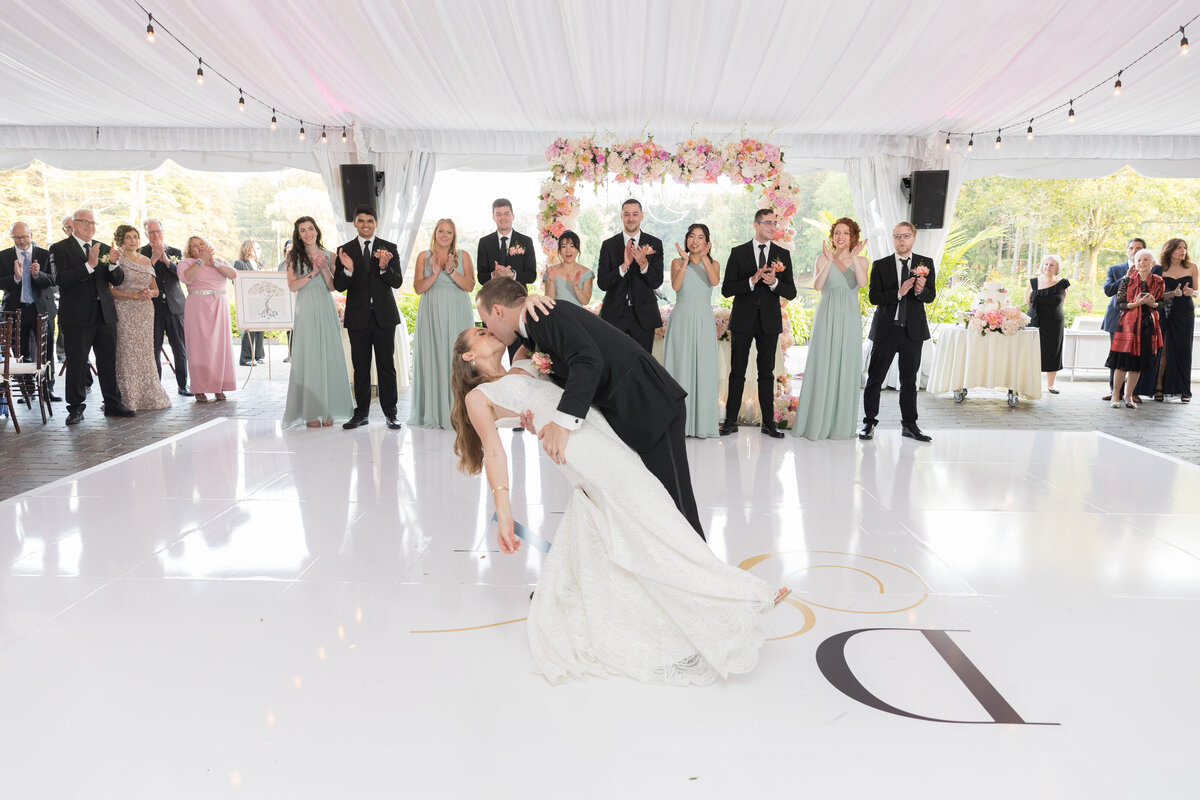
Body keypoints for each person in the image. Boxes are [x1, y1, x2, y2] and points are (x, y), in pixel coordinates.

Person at [449, 326, 788, 685]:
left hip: (597, 429)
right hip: (579, 449)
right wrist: (504, 514)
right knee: (651, 511)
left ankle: (688, 609)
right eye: (481, 332)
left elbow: (526, 329)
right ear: (468, 355)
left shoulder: (523, 362)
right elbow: (495, 451)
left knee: (638, 517)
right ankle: (741, 595)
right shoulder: (479, 396)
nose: (489, 332)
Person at [476, 277, 705, 538]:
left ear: (498, 310)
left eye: (486, 322)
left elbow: (587, 361)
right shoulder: (530, 328)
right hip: (631, 410)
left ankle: (705, 573)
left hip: (649, 403)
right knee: (651, 502)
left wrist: (562, 425)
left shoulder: (541, 316)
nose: (488, 329)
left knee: (675, 504)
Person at [51, 208, 135, 425]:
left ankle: (113, 404)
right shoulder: (59, 248)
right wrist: (89, 265)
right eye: (85, 222)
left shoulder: (104, 247)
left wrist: (115, 264)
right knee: (77, 364)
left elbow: (116, 280)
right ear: (73, 224)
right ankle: (76, 408)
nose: (90, 226)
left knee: (108, 362)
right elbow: (60, 279)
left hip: (105, 315)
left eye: (93, 223)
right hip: (77, 318)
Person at [719, 209, 796, 438]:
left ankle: (768, 422)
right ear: (756, 225)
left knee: (767, 373)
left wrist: (774, 284)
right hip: (743, 320)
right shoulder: (738, 252)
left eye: (775, 223)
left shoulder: (783, 254)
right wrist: (751, 281)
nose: (772, 228)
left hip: (769, 322)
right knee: (737, 372)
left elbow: (790, 292)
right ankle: (730, 421)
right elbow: (726, 290)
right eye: (767, 223)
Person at [793, 217, 868, 440]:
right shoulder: (821, 259)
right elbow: (818, 286)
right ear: (832, 236)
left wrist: (854, 258)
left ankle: (840, 426)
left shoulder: (861, 261)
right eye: (836, 232)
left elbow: (862, 284)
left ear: (853, 236)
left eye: (845, 233)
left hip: (849, 318)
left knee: (846, 364)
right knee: (823, 362)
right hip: (826, 316)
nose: (840, 236)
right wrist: (828, 261)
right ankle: (816, 422)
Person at [860, 221, 936, 442]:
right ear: (892, 239)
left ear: (913, 238)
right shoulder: (881, 264)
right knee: (875, 378)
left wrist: (921, 291)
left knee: (909, 381)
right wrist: (898, 293)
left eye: (905, 236)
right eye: (897, 236)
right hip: (886, 330)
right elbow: (873, 297)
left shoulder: (926, 263)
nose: (901, 240)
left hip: (912, 331)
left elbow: (930, 296)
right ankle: (869, 422)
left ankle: (910, 425)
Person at [334, 204, 404, 430]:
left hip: (384, 317)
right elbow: (339, 286)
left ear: (376, 223)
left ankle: (391, 413)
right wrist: (348, 269)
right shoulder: (344, 250)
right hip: (358, 318)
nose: (366, 225)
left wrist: (385, 267)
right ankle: (361, 413)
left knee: (386, 367)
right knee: (360, 366)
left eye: (370, 221)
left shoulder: (389, 247)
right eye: (361, 221)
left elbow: (397, 282)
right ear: (355, 223)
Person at [283, 217, 353, 428]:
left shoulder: (330, 255)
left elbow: (333, 287)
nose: (307, 233)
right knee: (309, 358)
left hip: (325, 308)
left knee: (328, 355)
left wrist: (323, 268)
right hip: (305, 311)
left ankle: (329, 409)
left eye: (310, 229)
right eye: (302, 230)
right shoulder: (293, 256)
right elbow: (293, 286)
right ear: (298, 234)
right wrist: (313, 271)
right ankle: (311, 412)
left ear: (317, 230)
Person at [408, 218, 474, 429]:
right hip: (431, 313)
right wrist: (436, 274)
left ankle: (461, 413)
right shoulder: (423, 257)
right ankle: (435, 412)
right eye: (441, 231)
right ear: (435, 233)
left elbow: (470, 286)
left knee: (457, 359)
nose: (444, 235)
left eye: (449, 232)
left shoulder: (463, 256)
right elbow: (418, 288)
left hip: (457, 312)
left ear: (454, 236)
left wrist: (451, 271)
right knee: (434, 356)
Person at [662, 223, 719, 438]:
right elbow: (676, 287)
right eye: (692, 236)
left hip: (704, 319)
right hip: (682, 318)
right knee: (680, 366)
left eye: (700, 237)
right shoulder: (677, 261)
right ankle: (679, 424)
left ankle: (703, 424)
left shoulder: (714, 263)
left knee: (703, 369)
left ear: (707, 242)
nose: (695, 240)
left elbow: (714, 281)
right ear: (687, 239)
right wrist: (685, 262)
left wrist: (704, 258)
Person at [108, 224, 171, 411]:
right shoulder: (116, 259)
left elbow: (157, 290)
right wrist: (134, 296)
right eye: (128, 237)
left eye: (135, 236)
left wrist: (148, 293)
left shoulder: (145, 260)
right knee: (126, 352)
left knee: (145, 352)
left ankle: (148, 395)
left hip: (145, 311)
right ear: (121, 239)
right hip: (124, 310)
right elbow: (111, 291)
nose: (133, 240)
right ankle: (128, 397)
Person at [0, 222, 59, 401]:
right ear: (12, 238)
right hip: (16, 310)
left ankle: (48, 389)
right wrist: (15, 278)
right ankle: (27, 390)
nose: (22, 241)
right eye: (17, 237)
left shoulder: (45, 254)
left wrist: (37, 275)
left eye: (24, 236)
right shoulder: (3, 256)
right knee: (20, 351)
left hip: (41, 309)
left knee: (46, 350)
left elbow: (54, 280)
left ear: (31, 234)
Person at [596, 199, 664, 352]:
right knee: (614, 361)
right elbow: (602, 283)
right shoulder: (609, 245)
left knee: (643, 363)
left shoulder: (655, 243)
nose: (631, 218)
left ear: (642, 216)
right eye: (627, 214)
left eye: (635, 214)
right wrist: (624, 266)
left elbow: (656, 282)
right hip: (614, 315)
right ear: (621, 216)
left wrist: (643, 264)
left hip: (644, 315)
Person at [476, 198, 538, 361]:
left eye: (506, 213)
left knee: (520, 353)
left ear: (513, 215)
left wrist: (513, 276)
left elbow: (532, 275)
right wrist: (493, 275)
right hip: (491, 304)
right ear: (493, 217)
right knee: (489, 352)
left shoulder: (525, 241)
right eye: (498, 214)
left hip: (517, 306)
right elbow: (481, 277)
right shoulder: (484, 243)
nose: (502, 217)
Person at [178, 236, 238, 403]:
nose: (199, 247)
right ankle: (200, 388)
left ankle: (219, 386)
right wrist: (200, 262)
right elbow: (186, 278)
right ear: (190, 251)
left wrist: (214, 263)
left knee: (219, 346)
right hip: (197, 306)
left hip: (219, 306)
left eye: (201, 244)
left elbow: (233, 275)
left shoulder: (218, 260)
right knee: (199, 347)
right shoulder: (186, 263)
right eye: (195, 246)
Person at [1106, 248, 1164, 409]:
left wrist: (1154, 304)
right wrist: (1135, 304)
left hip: (1147, 326)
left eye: (1146, 260)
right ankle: (1116, 395)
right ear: (1135, 263)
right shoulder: (1127, 280)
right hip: (1128, 325)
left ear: (1152, 263)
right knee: (1122, 363)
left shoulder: (1159, 281)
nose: (1142, 263)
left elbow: (1162, 303)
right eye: (1139, 260)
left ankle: (1129, 396)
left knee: (1138, 364)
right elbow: (1119, 304)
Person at [141, 219, 189, 396]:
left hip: (174, 306)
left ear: (163, 231)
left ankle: (183, 384)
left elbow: (184, 276)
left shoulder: (176, 252)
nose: (155, 235)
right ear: (146, 234)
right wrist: (152, 260)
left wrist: (167, 261)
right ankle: (156, 387)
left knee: (179, 348)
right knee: (154, 348)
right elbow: (138, 277)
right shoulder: (140, 253)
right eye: (151, 232)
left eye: (158, 231)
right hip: (152, 308)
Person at [1155, 238, 1197, 403]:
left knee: (1183, 349)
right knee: (1163, 349)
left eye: (1184, 248)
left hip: (1184, 311)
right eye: (1179, 248)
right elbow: (1157, 295)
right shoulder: (1159, 269)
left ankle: (1184, 390)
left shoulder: (1192, 267)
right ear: (1169, 250)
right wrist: (1172, 294)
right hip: (1164, 311)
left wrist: (1189, 292)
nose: (1183, 251)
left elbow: (1196, 292)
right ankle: (1158, 386)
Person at [1025, 254, 1070, 394]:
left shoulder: (1064, 283)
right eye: (1046, 264)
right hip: (1035, 321)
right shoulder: (1033, 282)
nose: (1048, 267)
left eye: (1052, 265)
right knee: (1032, 351)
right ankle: (1030, 383)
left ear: (1057, 268)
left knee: (1052, 351)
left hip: (1054, 322)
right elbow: (1027, 300)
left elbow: (1063, 300)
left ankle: (1051, 385)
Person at [234, 240, 266, 365]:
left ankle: (259, 355)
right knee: (249, 330)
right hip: (246, 301)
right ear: (248, 249)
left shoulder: (260, 264)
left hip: (260, 301)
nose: (259, 251)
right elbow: (235, 281)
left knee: (260, 328)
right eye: (256, 248)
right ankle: (246, 358)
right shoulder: (240, 263)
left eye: (260, 248)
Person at [541, 230, 594, 307]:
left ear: (578, 249)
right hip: (557, 315)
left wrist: (576, 286)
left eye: (572, 246)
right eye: (564, 246)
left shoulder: (587, 272)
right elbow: (549, 300)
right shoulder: (551, 271)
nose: (568, 250)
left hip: (577, 316)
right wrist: (552, 280)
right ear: (559, 250)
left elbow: (586, 301)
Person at [278, 240, 294, 362]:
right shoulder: (282, 264)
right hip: (285, 298)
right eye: (287, 247)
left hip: (296, 296)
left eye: (291, 247)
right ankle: (290, 353)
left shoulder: (299, 261)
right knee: (289, 329)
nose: (289, 249)